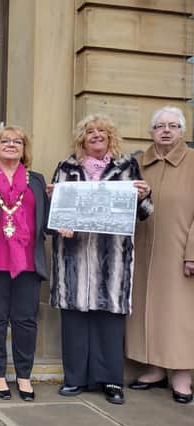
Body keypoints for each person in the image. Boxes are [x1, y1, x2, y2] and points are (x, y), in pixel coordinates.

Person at [49, 113, 152, 405]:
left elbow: (144, 214)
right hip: (74, 256)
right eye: (90, 132)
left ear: (110, 137)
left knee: (109, 320)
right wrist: (58, 219)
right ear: (82, 138)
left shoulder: (128, 166)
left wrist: (144, 196)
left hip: (112, 259)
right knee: (75, 319)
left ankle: (110, 381)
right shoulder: (66, 167)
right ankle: (75, 379)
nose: (96, 135)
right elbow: (53, 214)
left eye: (101, 131)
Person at [0, 126, 48, 401]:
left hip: (28, 260)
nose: (11, 145)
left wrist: (65, 223)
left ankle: (24, 376)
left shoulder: (37, 181)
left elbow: (47, 219)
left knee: (25, 321)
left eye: (18, 141)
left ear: (25, 149)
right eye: (5, 141)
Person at [126, 106, 194, 404]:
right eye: (160, 126)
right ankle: (154, 368)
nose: (166, 131)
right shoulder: (137, 163)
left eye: (173, 126)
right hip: (141, 249)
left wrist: (193, 253)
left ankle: (181, 375)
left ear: (183, 131)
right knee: (145, 311)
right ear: (151, 132)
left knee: (179, 315)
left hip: (179, 252)